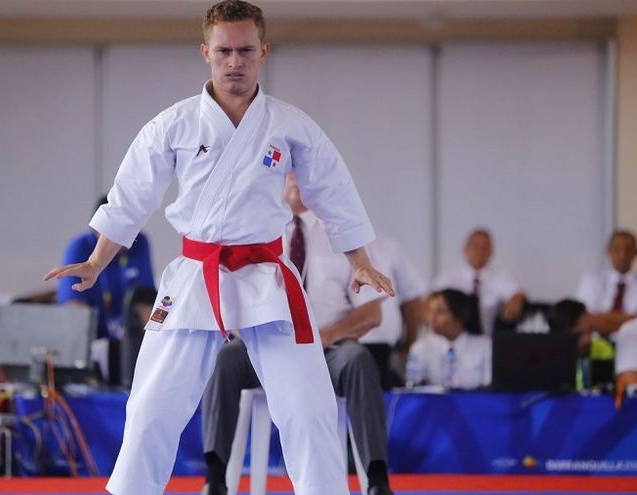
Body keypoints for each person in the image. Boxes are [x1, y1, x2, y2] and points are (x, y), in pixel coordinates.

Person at [44, 2, 394, 494]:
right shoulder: (174, 124)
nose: (234, 62)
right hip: (196, 273)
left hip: (267, 275)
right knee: (151, 407)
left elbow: (331, 190)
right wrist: (98, 259)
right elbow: (132, 196)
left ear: (263, 52)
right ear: (205, 52)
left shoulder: (290, 125)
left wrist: (359, 260)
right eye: (224, 51)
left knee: (308, 407)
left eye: (245, 50)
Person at [199, 173, 393, 495]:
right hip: (266, 345)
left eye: (301, 169)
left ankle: (376, 479)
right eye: (287, 170)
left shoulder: (343, 232)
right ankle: (216, 477)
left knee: (358, 360)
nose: (294, 179)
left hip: (328, 347)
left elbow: (372, 313)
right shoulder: (254, 228)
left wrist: (327, 335)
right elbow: (227, 291)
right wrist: (239, 323)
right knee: (226, 358)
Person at [58, 195, 156, 384]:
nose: (123, 238)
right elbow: (74, 309)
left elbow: (146, 301)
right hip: (92, 339)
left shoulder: (139, 243)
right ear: (97, 228)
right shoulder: (79, 247)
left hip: (128, 338)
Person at [362, 236, 426, 388]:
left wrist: (409, 345)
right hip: (335, 344)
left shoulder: (386, 247)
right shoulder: (319, 245)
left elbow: (412, 298)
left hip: (384, 347)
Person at [576, 230, 637, 337]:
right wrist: (634, 318)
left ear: (636, 252)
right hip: (596, 342)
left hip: (635, 341)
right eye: (617, 249)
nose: (623, 255)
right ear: (608, 251)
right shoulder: (591, 280)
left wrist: (603, 317)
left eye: (628, 249)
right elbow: (587, 318)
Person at [406, 289, 491, 389]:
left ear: (459, 315)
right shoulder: (420, 347)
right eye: (431, 312)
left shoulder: (485, 346)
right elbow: (413, 387)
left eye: (440, 312)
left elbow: (490, 388)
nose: (432, 318)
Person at [547, 299, 616, 391]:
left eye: (590, 331)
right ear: (559, 336)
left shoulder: (604, 348)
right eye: (579, 334)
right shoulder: (546, 361)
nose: (587, 340)